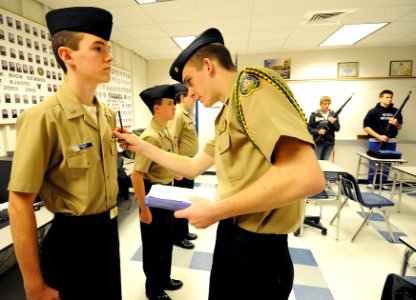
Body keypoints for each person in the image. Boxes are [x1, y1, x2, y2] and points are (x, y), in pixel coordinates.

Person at [114, 28, 325, 300]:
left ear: (208, 65)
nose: (190, 93)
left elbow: (304, 176)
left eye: (190, 82)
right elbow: (191, 166)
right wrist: (141, 144)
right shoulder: (228, 113)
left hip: (258, 250)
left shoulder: (251, 87)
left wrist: (217, 210)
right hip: (235, 236)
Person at [7, 7, 122, 300]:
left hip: (108, 236)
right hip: (72, 244)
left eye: (108, 48)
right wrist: (34, 285)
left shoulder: (106, 115)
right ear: (67, 56)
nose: (109, 57)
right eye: (98, 48)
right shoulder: (43, 117)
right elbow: (20, 203)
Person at [131, 85, 183, 300]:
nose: (174, 107)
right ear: (157, 108)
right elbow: (137, 175)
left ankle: (165, 279)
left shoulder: (166, 131)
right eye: (170, 103)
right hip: (153, 196)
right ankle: (154, 290)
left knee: (166, 242)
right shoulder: (151, 137)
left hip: (166, 193)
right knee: (154, 248)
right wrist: (144, 210)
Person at [169, 83, 199, 250]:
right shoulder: (178, 114)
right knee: (180, 202)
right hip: (183, 165)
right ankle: (177, 237)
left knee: (187, 201)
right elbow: (174, 141)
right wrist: (177, 167)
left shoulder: (185, 114)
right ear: (182, 97)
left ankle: (184, 231)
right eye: (191, 96)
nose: (194, 99)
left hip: (189, 164)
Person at [363, 89, 403, 189]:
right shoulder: (373, 111)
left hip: (391, 141)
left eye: (391, 97)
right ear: (380, 98)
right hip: (375, 141)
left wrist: (396, 123)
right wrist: (379, 136)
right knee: (373, 162)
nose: (389, 99)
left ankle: (383, 182)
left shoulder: (396, 111)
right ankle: (371, 182)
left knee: (387, 162)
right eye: (387, 97)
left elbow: (400, 127)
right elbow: (366, 127)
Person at [308, 96, 340, 160]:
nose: (327, 106)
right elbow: (309, 128)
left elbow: (337, 129)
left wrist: (333, 122)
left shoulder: (334, 115)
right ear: (321, 104)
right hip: (318, 142)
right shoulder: (314, 115)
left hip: (329, 143)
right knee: (318, 162)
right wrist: (318, 131)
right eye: (325, 104)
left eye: (328, 104)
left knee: (326, 162)